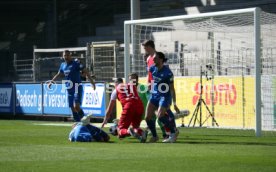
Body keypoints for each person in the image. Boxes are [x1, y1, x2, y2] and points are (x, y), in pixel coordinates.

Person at [142, 40, 179, 140]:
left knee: (160, 116)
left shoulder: (168, 73)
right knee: (147, 117)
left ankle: (173, 131)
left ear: (161, 60)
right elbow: (152, 80)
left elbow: (172, 88)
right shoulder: (152, 69)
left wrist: (174, 103)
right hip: (154, 95)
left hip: (164, 96)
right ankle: (154, 136)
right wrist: (150, 87)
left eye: (155, 59)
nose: (153, 60)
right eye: (153, 59)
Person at [48, 50, 96, 122]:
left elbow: (85, 71)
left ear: (70, 56)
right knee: (71, 106)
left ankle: (85, 121)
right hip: (69, 87)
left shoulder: (75, 63)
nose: (66, 57)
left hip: (77, 86)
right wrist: (51, 82)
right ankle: (78, 122)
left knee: (76, 106)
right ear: (63, 56)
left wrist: (92, 83)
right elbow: (58, 73)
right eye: (65, 55)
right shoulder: (63, 65)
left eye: (67, 55)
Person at [101, 78, 146, 142]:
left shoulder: (116, 90)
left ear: (116, 84)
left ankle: (129, 131)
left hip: (129, 105)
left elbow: (110, 108)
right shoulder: (131, 85)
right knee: (135, 126)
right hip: (139, 105)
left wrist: (105, 119)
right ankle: (142, 132)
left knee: (120, 130)